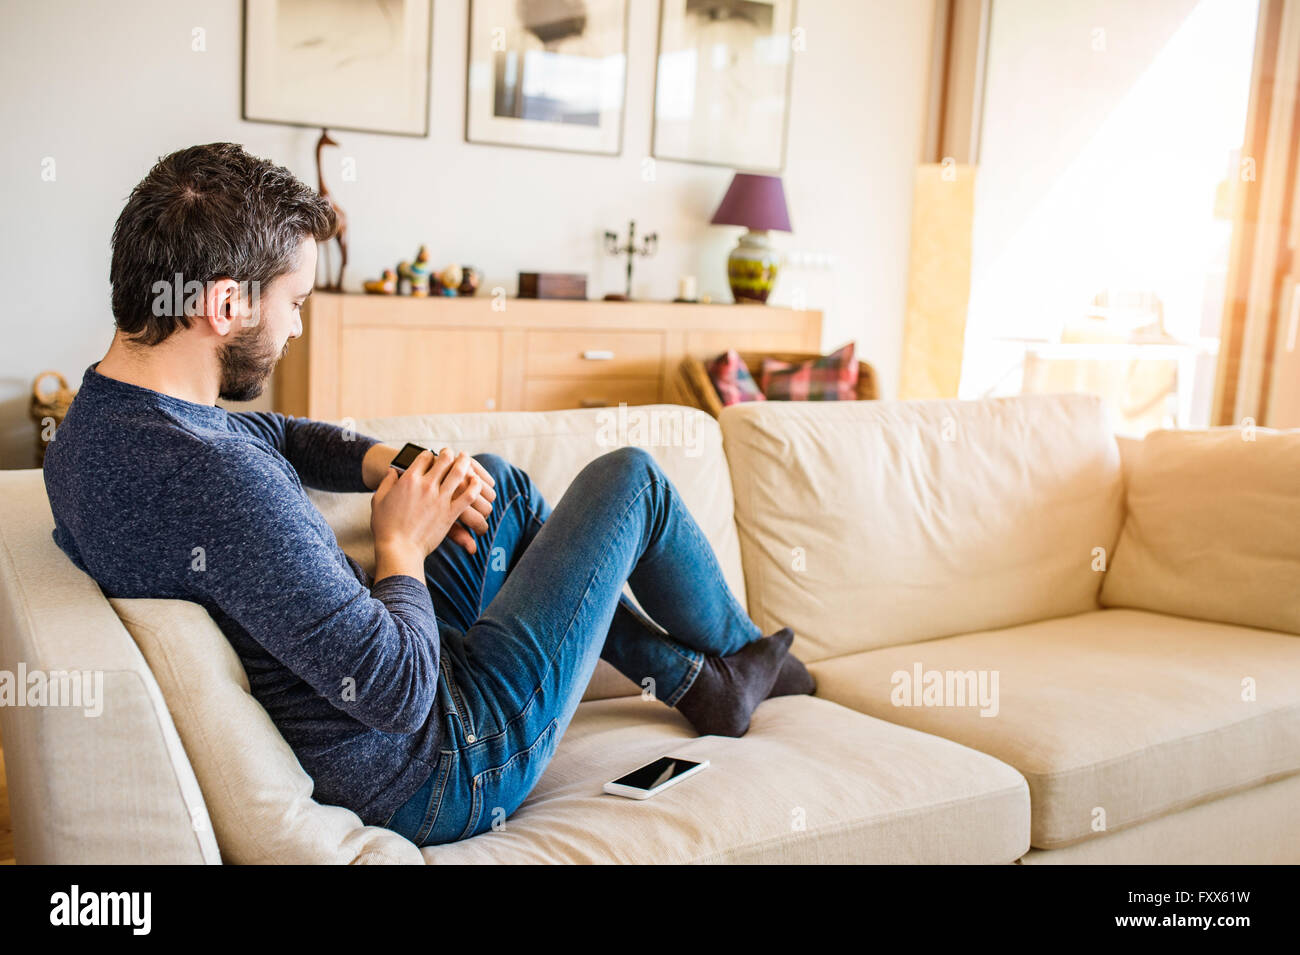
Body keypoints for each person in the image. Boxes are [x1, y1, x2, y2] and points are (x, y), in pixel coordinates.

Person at [43, 143, 814, 847]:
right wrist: (400, 544)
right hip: (440, 762)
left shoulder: (98, 426)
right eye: (296, 302)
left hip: (378, 701)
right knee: (631, 480)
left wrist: (392, 460)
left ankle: (707, 684)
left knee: (496, 489)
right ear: (223, 306)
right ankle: (749, 656)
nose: (298, 329)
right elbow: (401, 693)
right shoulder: (218, 485)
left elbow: (272, 434)